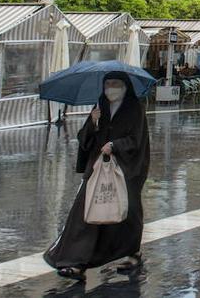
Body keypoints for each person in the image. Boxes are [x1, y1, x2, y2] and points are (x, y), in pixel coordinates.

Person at [45, 72, 150, 280]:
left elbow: (137, 140)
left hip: (126, 170)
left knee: (127, 214)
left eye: (115, 84)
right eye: (108, 84)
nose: (111, 88)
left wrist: (115, 145)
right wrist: (93, 123)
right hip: (98, 169)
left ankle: (133, 252)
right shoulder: (99, 106)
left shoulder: (134, 108)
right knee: (85, 213)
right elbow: (84, 139)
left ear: (125, 86)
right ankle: (75, 262)